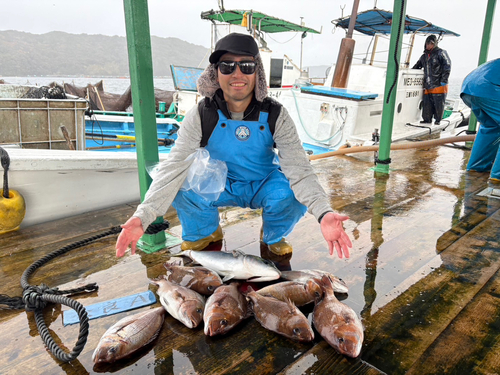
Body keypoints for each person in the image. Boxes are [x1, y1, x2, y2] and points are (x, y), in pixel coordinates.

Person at [115, 33, 352, 259]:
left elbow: (300, 169)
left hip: (263, 182)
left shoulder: (276, 114)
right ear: (215, 73)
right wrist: (143, 216)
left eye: (246, 66)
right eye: (227, 65)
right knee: (181, 184)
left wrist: (324, 212)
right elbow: (174, 166)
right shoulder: (201, 114)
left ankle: (272, 235)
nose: (237, 73)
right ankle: (205, 232)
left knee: (292, 193)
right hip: (218, 184)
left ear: (256, 72)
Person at [461, 58, 500, 182]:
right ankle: (498, 175)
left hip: (469, 87)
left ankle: (477, 168)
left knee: (491, 126)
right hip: (488, 89)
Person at [412, 35, 451, 125]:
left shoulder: (441, 53)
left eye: (431, 44)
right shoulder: (423, 56)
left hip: (439, 84)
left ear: (435, 44)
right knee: (427, 103)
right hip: (428, 84)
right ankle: (427, 119)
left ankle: (438, 120)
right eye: (427, 43)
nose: (429, 45)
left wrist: (444, 79)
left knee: (438, 103)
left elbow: (447, 66)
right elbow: (417, 66)